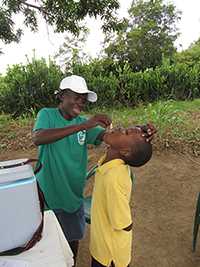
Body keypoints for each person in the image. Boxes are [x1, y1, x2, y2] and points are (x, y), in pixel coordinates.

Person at [32, 74, 155, 266]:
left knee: (72, 241)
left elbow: (113, 139)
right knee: (48, 242)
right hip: (48, 195)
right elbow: (38, 138)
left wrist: (140, 134)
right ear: (62, 95)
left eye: (84, 99)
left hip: (73, 197)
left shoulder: (84, 124)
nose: (81, 102)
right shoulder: (47, 115)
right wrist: (82, 125)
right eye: (77, 96)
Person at [90, 126, 153, 267]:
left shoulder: (113, 178)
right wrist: (134, 132)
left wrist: (127, 227)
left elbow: (122, 223)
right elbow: (120, 144)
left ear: (125, 151)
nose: (120, 129)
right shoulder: (108, 162)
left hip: (110, 254)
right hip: (102, 244)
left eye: (125, 132)